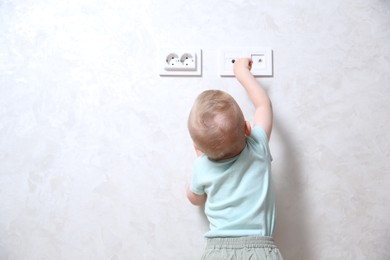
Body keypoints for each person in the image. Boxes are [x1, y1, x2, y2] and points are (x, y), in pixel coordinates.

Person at [186, 58, 283, 260]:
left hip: (217, 252)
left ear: (198, 147)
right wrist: (241, 72)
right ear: (247, 129)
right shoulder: (257, 146)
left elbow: (195, 199)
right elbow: (264, 105)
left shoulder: (202, 167)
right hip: (260, 251)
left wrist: (200, 159)